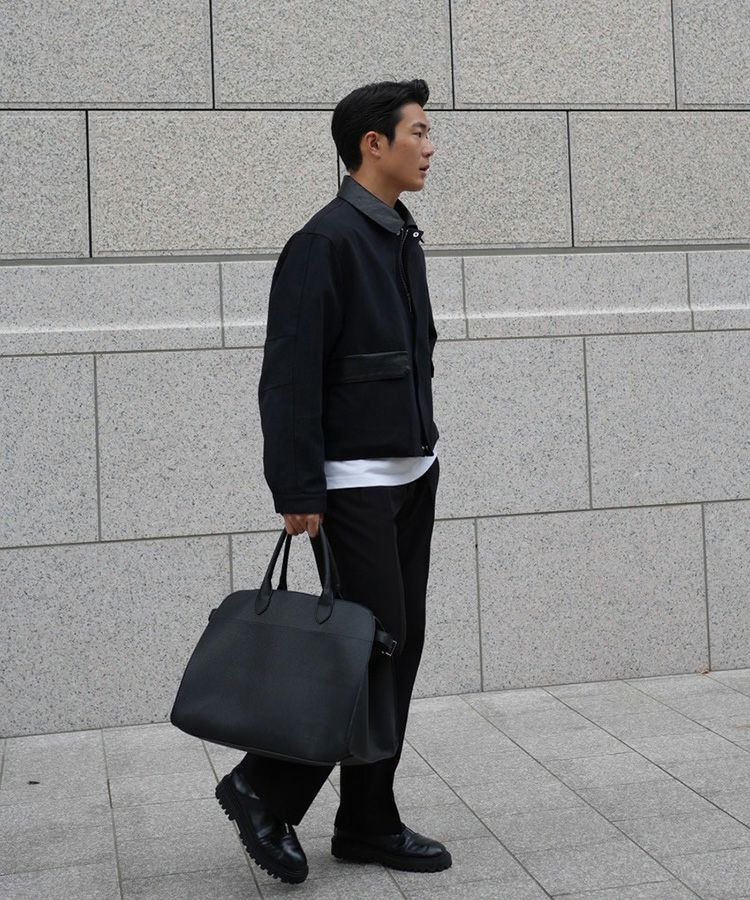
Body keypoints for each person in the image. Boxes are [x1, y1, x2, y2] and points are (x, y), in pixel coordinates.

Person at [214, 78, 450, 885]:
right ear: (372, 144)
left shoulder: (399, 234)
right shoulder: (325, 241)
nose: (431, 147)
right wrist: (298, 488)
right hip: (351, 486)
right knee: (366, 649)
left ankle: (365, 820)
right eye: (419, 132)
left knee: (395, 647)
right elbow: (289, 375)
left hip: (411, 472)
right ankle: (264, 786)